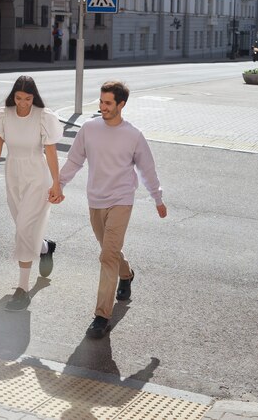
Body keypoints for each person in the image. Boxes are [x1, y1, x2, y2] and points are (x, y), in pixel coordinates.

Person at [58, 80, 167, 339]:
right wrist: (58, 185)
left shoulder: (133, 135)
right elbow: (74, 160)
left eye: (108, 103)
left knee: (107, 255)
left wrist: (157, 199)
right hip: (95, 199)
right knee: (109, 250)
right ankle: (126, 274)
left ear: (121, 105)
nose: (102, 107)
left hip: (121, 199)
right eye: (101, 102)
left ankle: (101, 316)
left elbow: (147, 169)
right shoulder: (89, 129)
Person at [0, 75, 64, 312]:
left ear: (34, 97)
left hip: (38, 176)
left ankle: (22, 290)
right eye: (18, 98)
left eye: (27, 98)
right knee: (23, 228)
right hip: (13, 175)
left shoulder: (44, 117)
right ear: (13, 96)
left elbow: (51, 152)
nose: (23, 103)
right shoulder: (3, 116)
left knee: (24, 227)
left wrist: (57, 183)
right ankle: (44, 247)